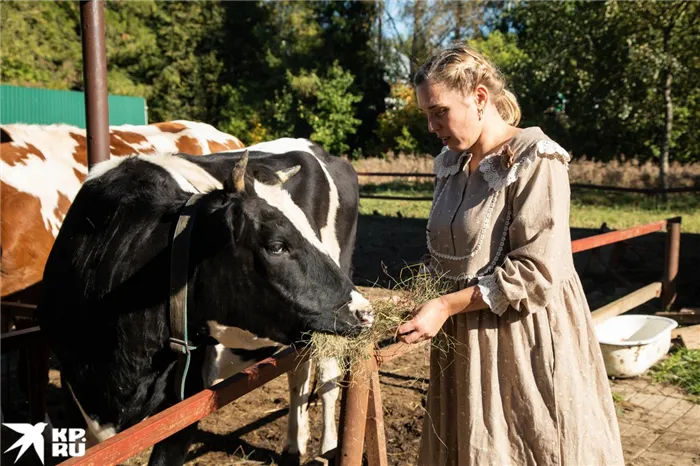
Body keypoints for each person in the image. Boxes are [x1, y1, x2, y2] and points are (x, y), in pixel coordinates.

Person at [396, 44, 626, 466]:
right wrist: (417, 296)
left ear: (479, 98)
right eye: (427, 114)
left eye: (439, 112)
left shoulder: (537, 159)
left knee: (523, 446)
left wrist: (445, 305)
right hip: (459, 338)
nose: (432, 125)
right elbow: (445, 250)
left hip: (521, 337)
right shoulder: (449, 164)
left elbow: (537, 270)